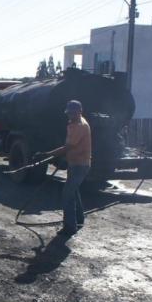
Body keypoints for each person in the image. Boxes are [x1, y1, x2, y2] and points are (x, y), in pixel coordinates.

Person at [39, 99, 92, 236]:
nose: (70, 115)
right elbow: (70, 146)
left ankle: (70, 227)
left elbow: (69, 146)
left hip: (80, 165)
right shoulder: (74, 123)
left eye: (73, 113)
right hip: (75, 163)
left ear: (80, 111)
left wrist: (48, 154)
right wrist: (65, 157)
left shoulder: (80, 125)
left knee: (67, 194)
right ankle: (79, 219)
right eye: (69, 113)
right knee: (73, 191)